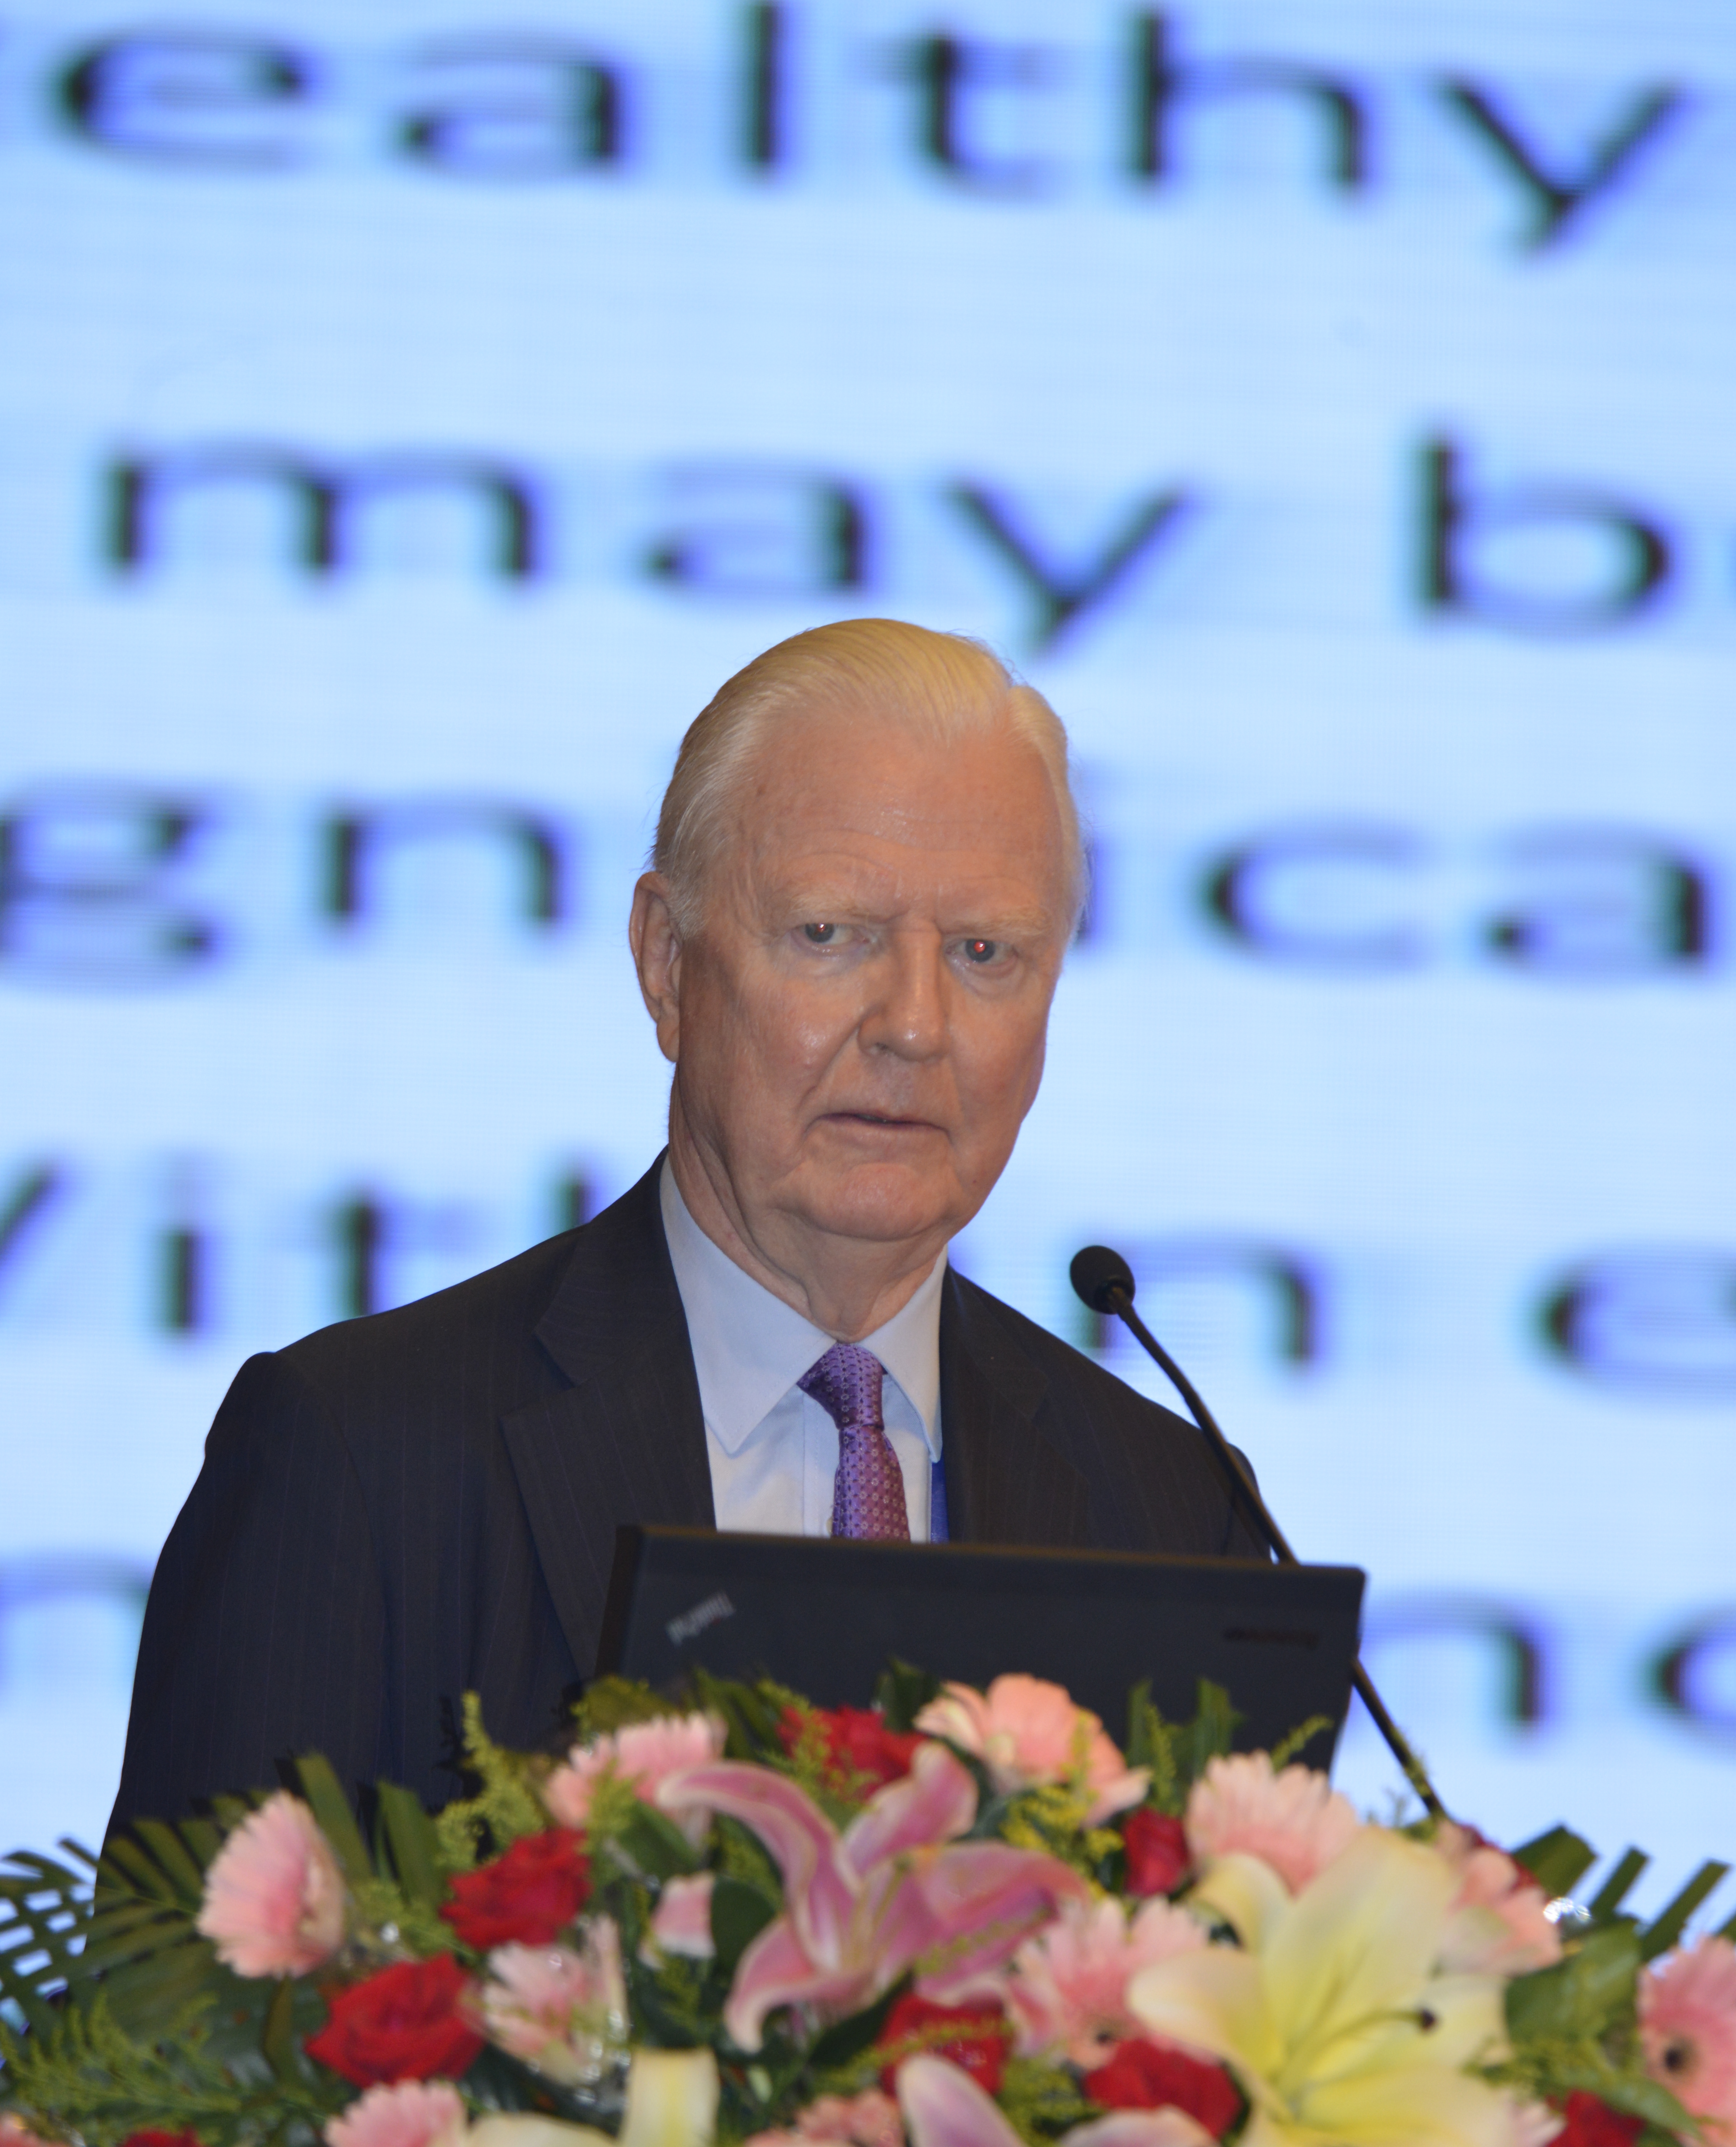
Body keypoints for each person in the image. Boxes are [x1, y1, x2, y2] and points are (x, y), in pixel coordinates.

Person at [109, 620, 1263, 1829]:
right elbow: (181, 2012)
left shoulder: (1177, 1513)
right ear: (667, 964)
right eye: (833, 934)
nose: (915, 1024)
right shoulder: (361, 1456)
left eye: (986, 953)